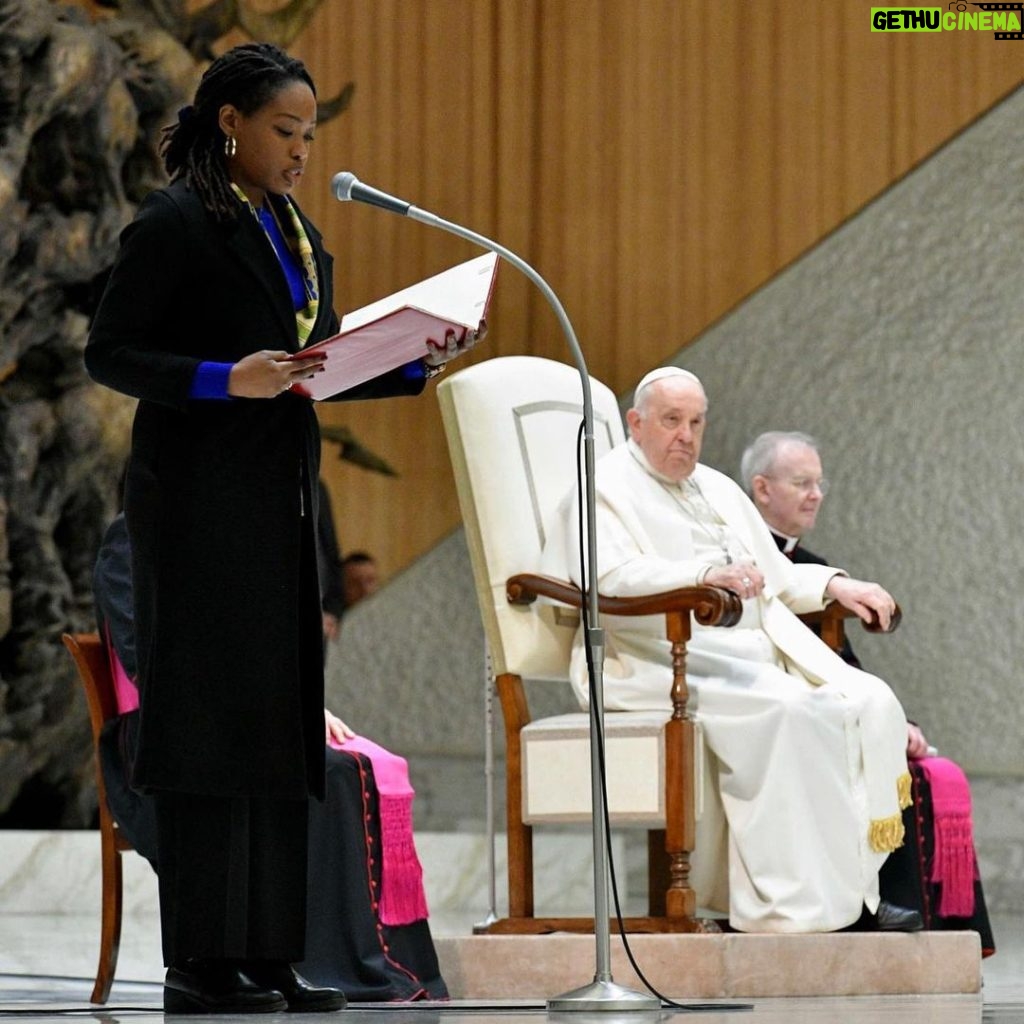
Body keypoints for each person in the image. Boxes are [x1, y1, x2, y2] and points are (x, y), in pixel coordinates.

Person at [84, 43, 479, 1014]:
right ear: (232, 123)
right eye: (285, 130)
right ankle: (201, 959)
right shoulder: (177, 222)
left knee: (275, 734)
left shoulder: (294, 230)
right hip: (193, 514)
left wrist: (417, 358)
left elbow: (318, 363)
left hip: (278, 511)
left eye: (310, 133)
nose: (302, 149)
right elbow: (111, 351)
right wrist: (225, 379)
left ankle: (269, 951)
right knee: (209, 731)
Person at [542, 366, 922, 935]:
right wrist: (703, 575)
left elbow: (774, 578)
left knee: (854, 704)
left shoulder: (716, 486)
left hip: (739, 659)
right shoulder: (602, 487)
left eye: (696, 422)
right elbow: (609, 578)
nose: (686, 436)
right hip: (648, 659)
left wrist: (837, 585)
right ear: (636, 423)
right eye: (671, 421)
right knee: (791, 712)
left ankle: (848, 899)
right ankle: (783, 906)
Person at [93, 513, 449, 999]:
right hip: (163, 735)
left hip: (242, 725)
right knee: (300, 774)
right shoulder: (132, 537)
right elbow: (147, 656)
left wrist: (295, 705)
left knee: (342, 770)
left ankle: (319, 963)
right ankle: (299, 965)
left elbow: (259, 645)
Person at [741, 430, 995, 955]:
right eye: (801, 482)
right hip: (773, 707)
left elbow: (841, 662)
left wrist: (899, 720)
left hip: (826, 701)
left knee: (930, 774)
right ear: (761, 489)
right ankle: (862, 911)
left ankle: (931, 939)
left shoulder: (816, 566)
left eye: (819, 483)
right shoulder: (743, 556)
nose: (816, 493)